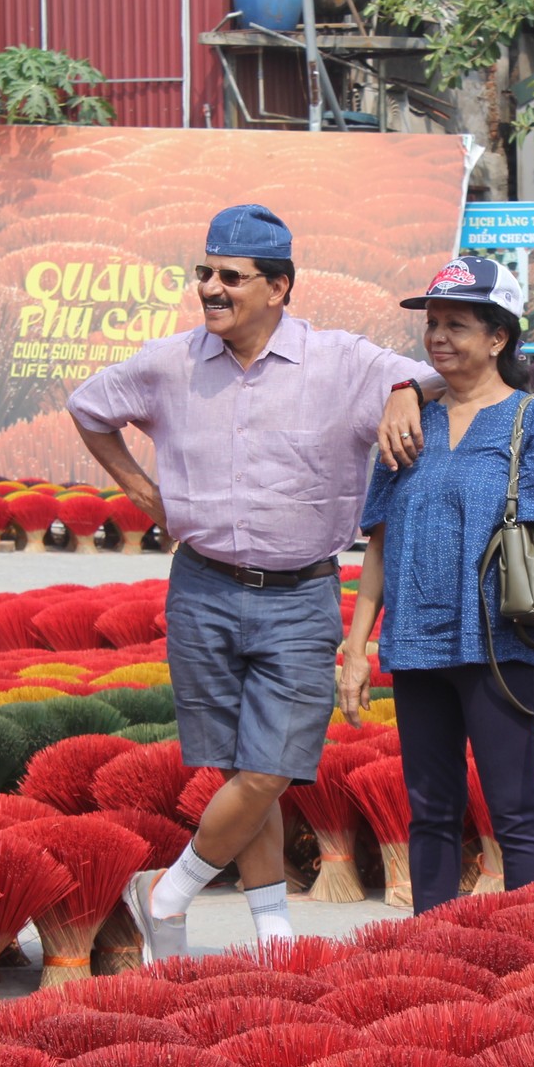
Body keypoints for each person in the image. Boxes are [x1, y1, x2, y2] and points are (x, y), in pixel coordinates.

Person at [67, 203, 443, 959]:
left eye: (230, 277)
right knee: (243, 769)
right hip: (202, 588)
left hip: (302, 595)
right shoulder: (170, 362)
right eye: (204, 272)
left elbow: (432, 374)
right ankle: (272, 927)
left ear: (278, 288)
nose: (210, 287)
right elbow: (89, 407)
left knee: (273, 767)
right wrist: (140, 490)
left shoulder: (339, 362)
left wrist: (404, 389)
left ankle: (165, 891)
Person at [340, 256, 534, 914]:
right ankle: (435, 946)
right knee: (430, 809)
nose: (439, 337)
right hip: (418, 642)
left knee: (515, 808)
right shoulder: (408, 422)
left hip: (501, 645)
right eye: (433, 324)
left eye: (457, 324)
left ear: (498, 336)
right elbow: (380, 541)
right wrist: (357, 648)